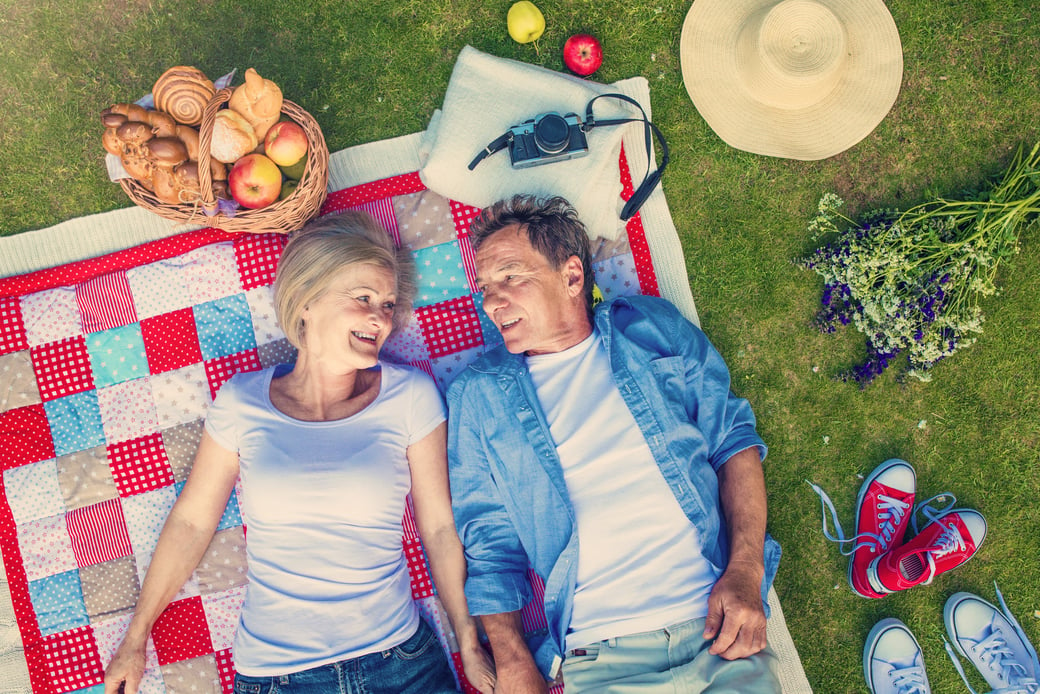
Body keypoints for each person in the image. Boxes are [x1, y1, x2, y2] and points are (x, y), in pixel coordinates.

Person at [103, 211, 495, 694]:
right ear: (307, 302)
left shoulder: (411, 396)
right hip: (280, 676)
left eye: (388, 304)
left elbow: (437, 527)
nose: (380, 317)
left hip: (402, 662)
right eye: (363, 298)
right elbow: (192, 521)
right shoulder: (241, 402)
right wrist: (136, 636)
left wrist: (468, 643)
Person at [446, 195, 783, 693]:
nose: (493, 301)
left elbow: (733, 442)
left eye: (511, 277)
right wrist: (514, 657)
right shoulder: (479, 395)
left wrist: (746, 571)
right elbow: (490, 544)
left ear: (573, 276)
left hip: (719, 629)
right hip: (604, 660)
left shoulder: (650, 328)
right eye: (485, 288)